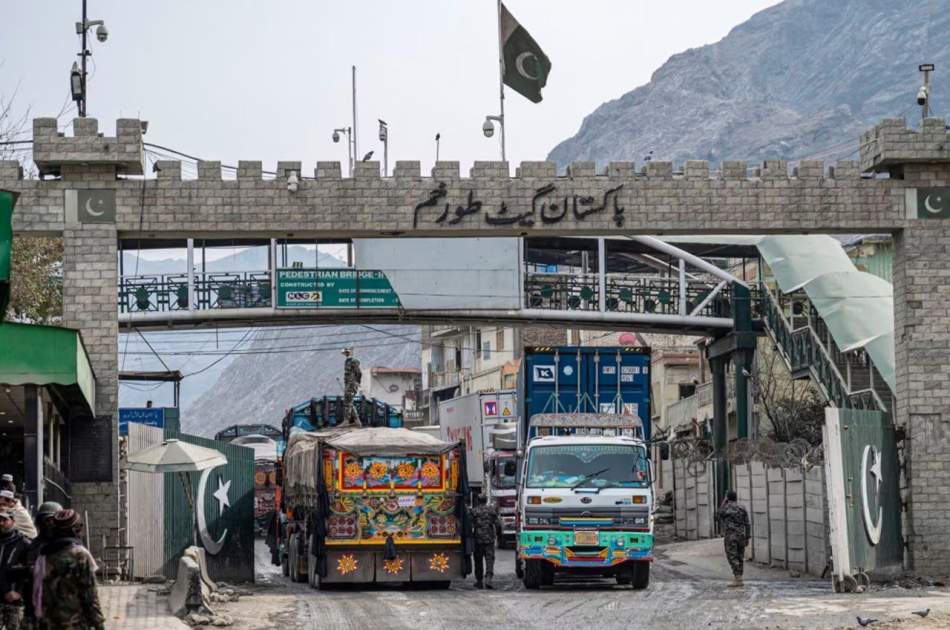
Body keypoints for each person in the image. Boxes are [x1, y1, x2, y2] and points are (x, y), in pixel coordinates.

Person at [33, 509, 104, 630]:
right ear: (75, 529)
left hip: (48, 621)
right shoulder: (80, 554)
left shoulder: (44, 553)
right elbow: (90, 594)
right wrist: (98, 623)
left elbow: (37, 590)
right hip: (74, 621)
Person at [19, 502, 62, 630]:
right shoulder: (31, 546)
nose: (50, 524)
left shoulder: (68, 546)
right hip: (34, 607)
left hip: (61, 607)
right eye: (46, 520)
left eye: (52, 520)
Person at [0, 509, 30, 630]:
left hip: (14, 601)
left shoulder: (24, 544)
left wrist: (19, 591)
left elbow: (31, 572)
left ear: (13, 521)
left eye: (4, 520)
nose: (1, 523)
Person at [717, 490, 750, 587]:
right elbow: (747, 524)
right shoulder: (742, 508)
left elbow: (718, 516)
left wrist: (724, 501)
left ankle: (738, 578)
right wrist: (748, 536)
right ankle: (739, 577)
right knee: (740, 556)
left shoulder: (726, 508)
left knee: (732, 556)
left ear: (728, 498)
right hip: (741, 535)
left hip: (730, 536)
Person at [470, 494, 499, 589]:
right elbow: (498, 524)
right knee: (489, 559)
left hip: (478, 539)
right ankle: (489, 579)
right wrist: (498, 535)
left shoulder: (474, 511)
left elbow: (469, 524)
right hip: (489, 539)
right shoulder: (491, 511)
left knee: (478, 561)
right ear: (486, 500)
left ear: (478, 501)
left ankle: (479, 581)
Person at [341, 348, 362, 427]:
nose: (346, 354)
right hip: (348, 383)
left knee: (348, 401)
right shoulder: (347, 361)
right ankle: (357, 421)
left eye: (347, 352)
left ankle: (346, 421)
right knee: (349, 401)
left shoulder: (353, 361)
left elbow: (359, 372)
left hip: (352, 384)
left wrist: (357, 382)